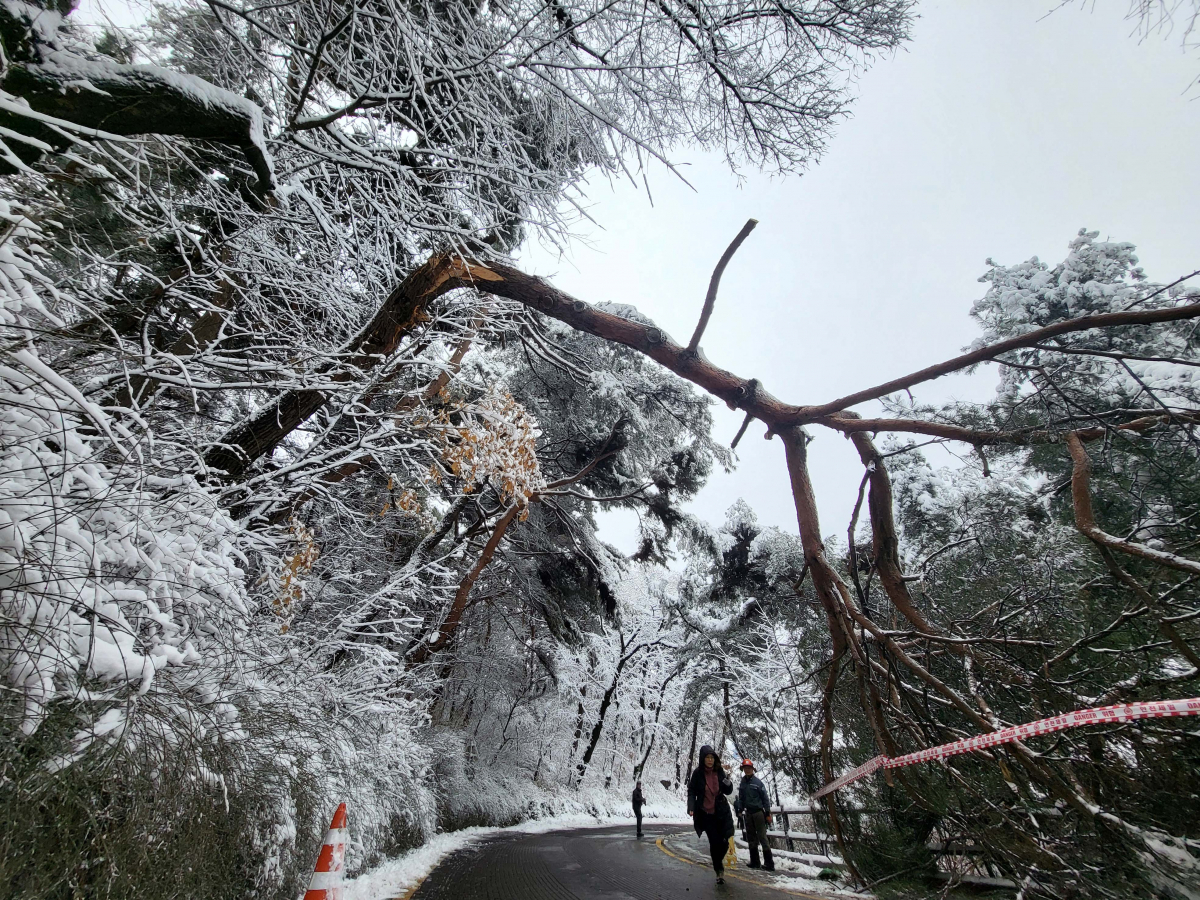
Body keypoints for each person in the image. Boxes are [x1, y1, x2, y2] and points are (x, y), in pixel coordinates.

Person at [686, 744, 735, 884]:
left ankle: (718, 860)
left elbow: (728, 791)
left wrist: (728, 783)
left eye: (712, 757)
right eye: (707, 757)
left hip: (722, 812)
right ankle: (719, 871)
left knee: (727, 838)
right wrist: (691, 806)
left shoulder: (720, 772)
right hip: (707, 814)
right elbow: (691, 791)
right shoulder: (697, 774)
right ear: (703, 759)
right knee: (715, 843)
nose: (710, 760)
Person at [733, 759, 774, 871]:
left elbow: (765, 799)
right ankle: (755, 861)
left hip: (758, 813)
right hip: (748, 814)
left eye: (749, 768)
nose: (747, 770)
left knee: (762, 837)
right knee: (751, 837)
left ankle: (769, 863)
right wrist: (740, 810)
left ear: (752, 769)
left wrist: (767, 813)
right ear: (743, 769)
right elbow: (741, 798)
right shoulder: (742, 783)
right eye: (745, 768)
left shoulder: (758, 783)